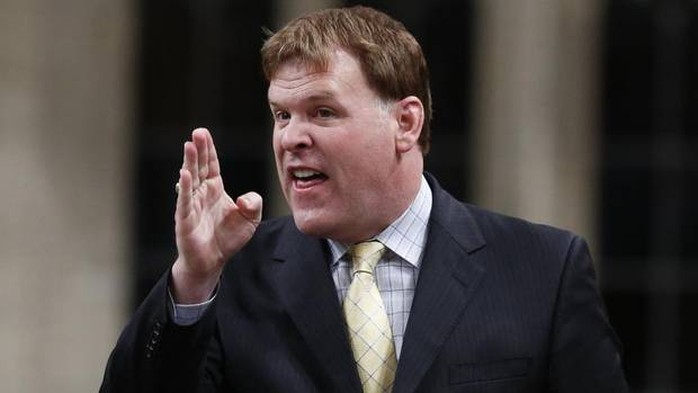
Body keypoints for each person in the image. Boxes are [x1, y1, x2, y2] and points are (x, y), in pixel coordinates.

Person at [100, 5, 628, 393]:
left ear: (405, 122)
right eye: (282, 115)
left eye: (323, 112)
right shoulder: (232, 274)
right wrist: (192, 278)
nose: (290, 138)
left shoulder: (543, 270)